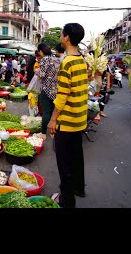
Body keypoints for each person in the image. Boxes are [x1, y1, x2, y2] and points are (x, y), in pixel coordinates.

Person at [47, 23, 88, 208]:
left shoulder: (67, 62)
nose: (60, 38)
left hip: (67, 121)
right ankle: (79, 188)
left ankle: (66, 200)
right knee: (76, 157)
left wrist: (53, 119)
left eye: (61, 35)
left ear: (67, 37)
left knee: (64, 163)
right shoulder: (81, 59)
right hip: (79, 119)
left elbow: (62, 95)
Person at [35, 43, 58, 135]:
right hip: (55, 89)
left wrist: (37, 71)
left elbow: (42, 74)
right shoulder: (56, 59)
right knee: (52, 111)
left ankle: (43, 133)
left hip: (46, 89)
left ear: (41, 51)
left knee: (46, 112)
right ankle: (52, 132)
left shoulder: (44, 59)